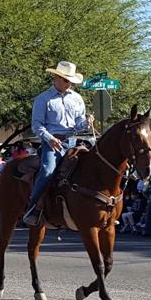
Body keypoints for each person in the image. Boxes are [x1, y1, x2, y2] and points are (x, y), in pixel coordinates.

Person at [23, 61, 94, 226]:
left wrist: (86, 122)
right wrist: (50, 139)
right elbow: (37, 125)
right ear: (57, 77)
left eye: (71, 81)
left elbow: (78, 124)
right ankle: (33, 208)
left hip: (73, 141)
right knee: (47, 170)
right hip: (52, 142)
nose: (70, 84)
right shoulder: (43, 99)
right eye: (67, 80)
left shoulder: (77, 98)